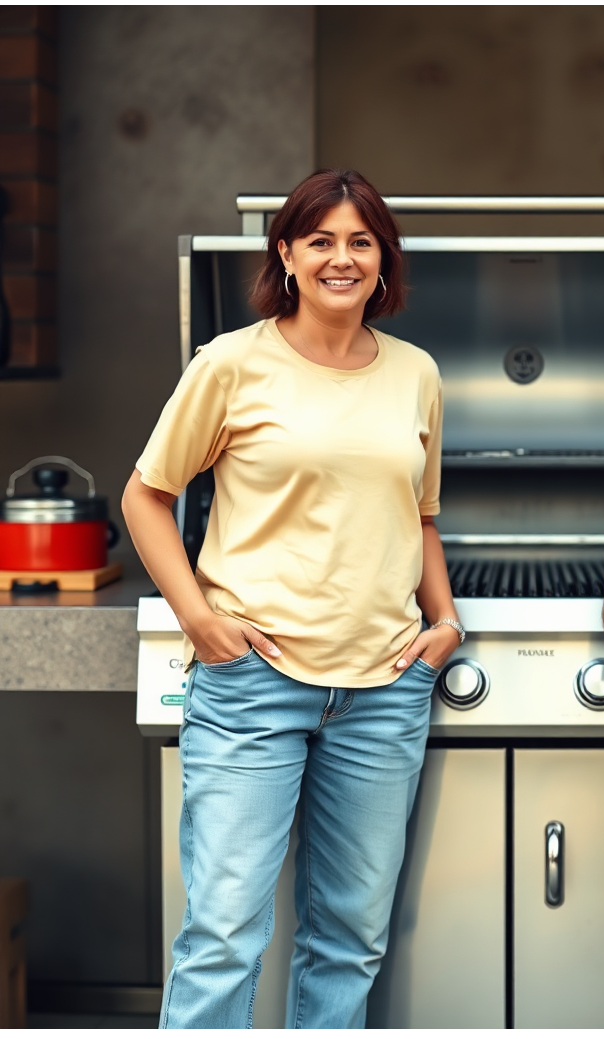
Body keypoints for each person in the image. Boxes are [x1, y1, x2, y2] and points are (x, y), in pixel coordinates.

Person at [122, 168, 463, 1029]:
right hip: (254, 685)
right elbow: (145, 497)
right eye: (321, 240)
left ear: (383, 257)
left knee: (350, 936)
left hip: (383, 693)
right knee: (224, 934)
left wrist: (446, 619)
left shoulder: (416, 374)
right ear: (287, 253)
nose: (341, 258)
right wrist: (201, 620)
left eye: (360, 241)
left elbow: (419, 517)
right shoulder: (232, 363)